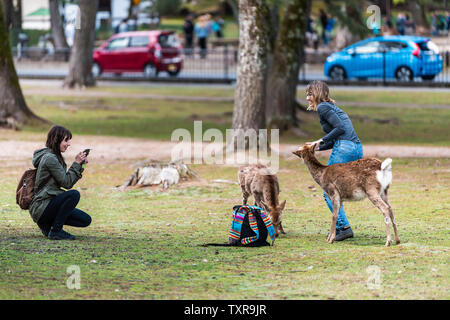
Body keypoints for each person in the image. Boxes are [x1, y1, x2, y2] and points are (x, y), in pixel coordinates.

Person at [303, 81, 363, 241]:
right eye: (307, 95)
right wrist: (315, 147)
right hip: (355, 148)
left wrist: (319, 140)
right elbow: (337, 135)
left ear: (317, 94)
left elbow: (340, 129)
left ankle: (343, 228)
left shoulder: (323, 107)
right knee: (337, 190)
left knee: (328, 190)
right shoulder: (330, 107)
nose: (308, 98)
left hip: (345, 148)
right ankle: (342, 226)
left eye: (309, 94)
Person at [29, 125, 92, 240]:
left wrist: (80, 165)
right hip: (41, 205)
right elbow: (66, 183)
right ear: (56, 140)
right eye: (66, 140)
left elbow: (67, 181)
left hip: (47, 204)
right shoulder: (50, 158)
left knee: (85, 220)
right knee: (74, 195)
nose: (69, 144)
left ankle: (47, 226)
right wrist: (76, 163)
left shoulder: (55, 157)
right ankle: (56, 231)